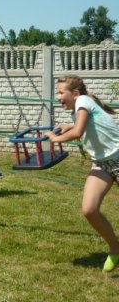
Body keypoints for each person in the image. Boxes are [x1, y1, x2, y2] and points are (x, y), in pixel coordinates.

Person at [46, 76, 119, 273]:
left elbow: (78, 132)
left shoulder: (83, 101)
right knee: (89, 210)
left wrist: (56, 138)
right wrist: (67, 125)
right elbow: (85, 125)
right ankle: (116, 248)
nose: (58, 97)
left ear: (75, 93)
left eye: (61, 93)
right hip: (102, 163)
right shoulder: (80, 107)